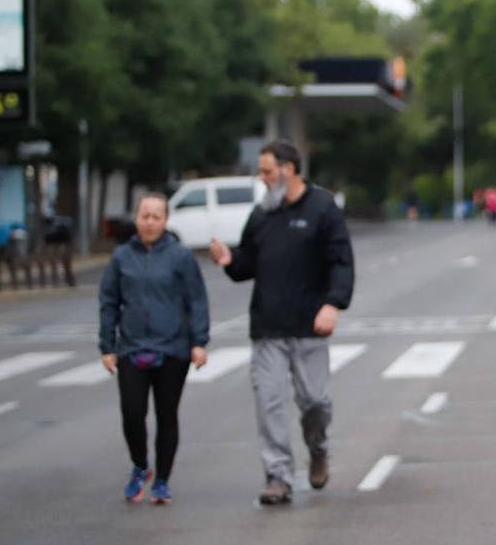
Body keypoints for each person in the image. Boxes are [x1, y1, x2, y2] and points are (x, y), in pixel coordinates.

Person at [209, 140, 355, 506]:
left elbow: (341, 261)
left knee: (315, 402)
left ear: (288, 169)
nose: (262, 178)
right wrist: (229, 260)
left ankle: (318, 450)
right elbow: (247, 265)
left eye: (267, 171)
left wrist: (333, 304)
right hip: (268, 327)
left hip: (310, 325)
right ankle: (278, 476)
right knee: (269, 403)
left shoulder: (322, 208)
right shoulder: (262, 214)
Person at [98, 193, 210, 504]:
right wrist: (107, 345)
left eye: (156, 216)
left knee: (166, 414)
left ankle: (162, 479)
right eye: (144, 216)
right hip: (132, 347)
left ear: (165, 220)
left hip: (172, 347)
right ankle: (140, 465)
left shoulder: (181, 257)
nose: (149, 222)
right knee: (132, 412)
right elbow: (109, 302)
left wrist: (199, 342)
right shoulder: (121, 257)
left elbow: (196, 301)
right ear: (136, 219)